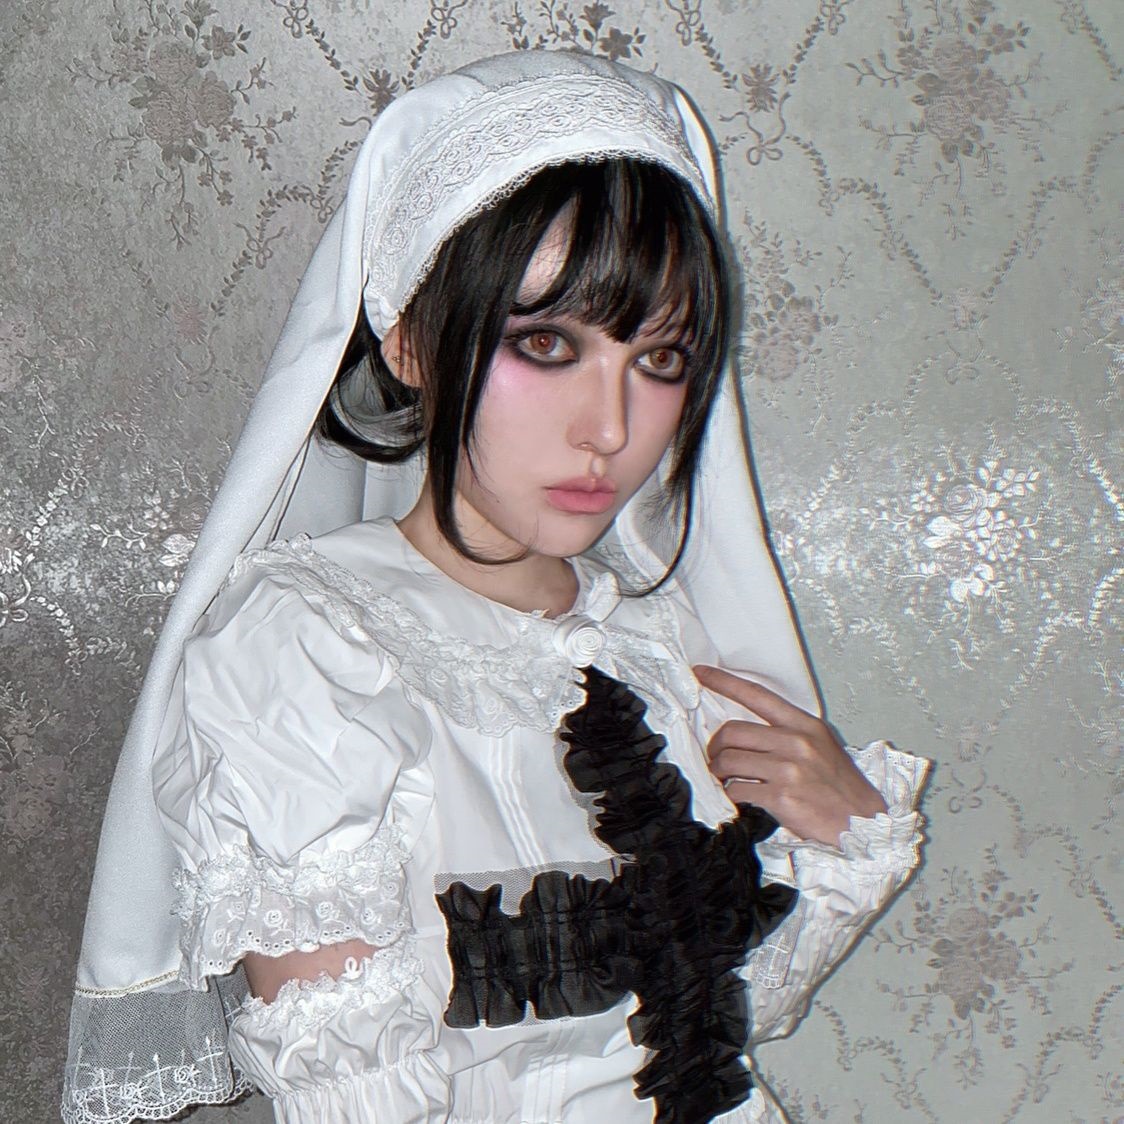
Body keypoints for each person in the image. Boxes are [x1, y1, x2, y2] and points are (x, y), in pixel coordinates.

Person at [62, 49, 929, 1124]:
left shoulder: (660, 640)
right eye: (548, 342)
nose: (609, 428)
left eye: (659, 359)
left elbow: (725, 1020)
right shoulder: (307, 648)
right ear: (411, 343)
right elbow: (355, 1095)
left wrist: (842, 833)